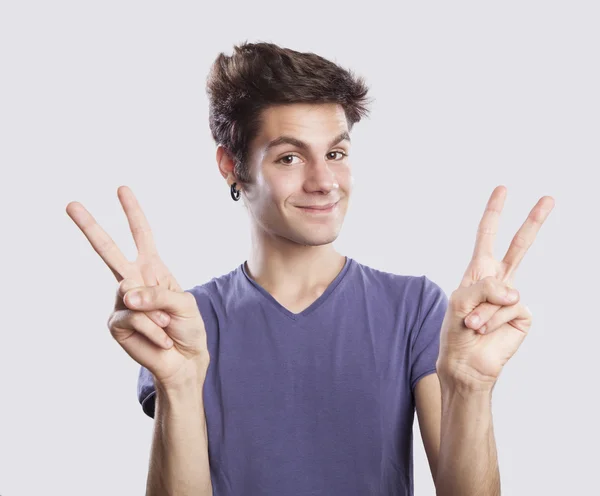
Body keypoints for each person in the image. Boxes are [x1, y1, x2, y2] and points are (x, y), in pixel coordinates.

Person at [66, 41, 554, 496]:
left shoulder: (414, 307)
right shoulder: (186, 322)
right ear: (231, 166)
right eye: (290, 157)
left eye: (336, 154)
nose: (325, 182)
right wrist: (178, 380)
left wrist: (471, 384)